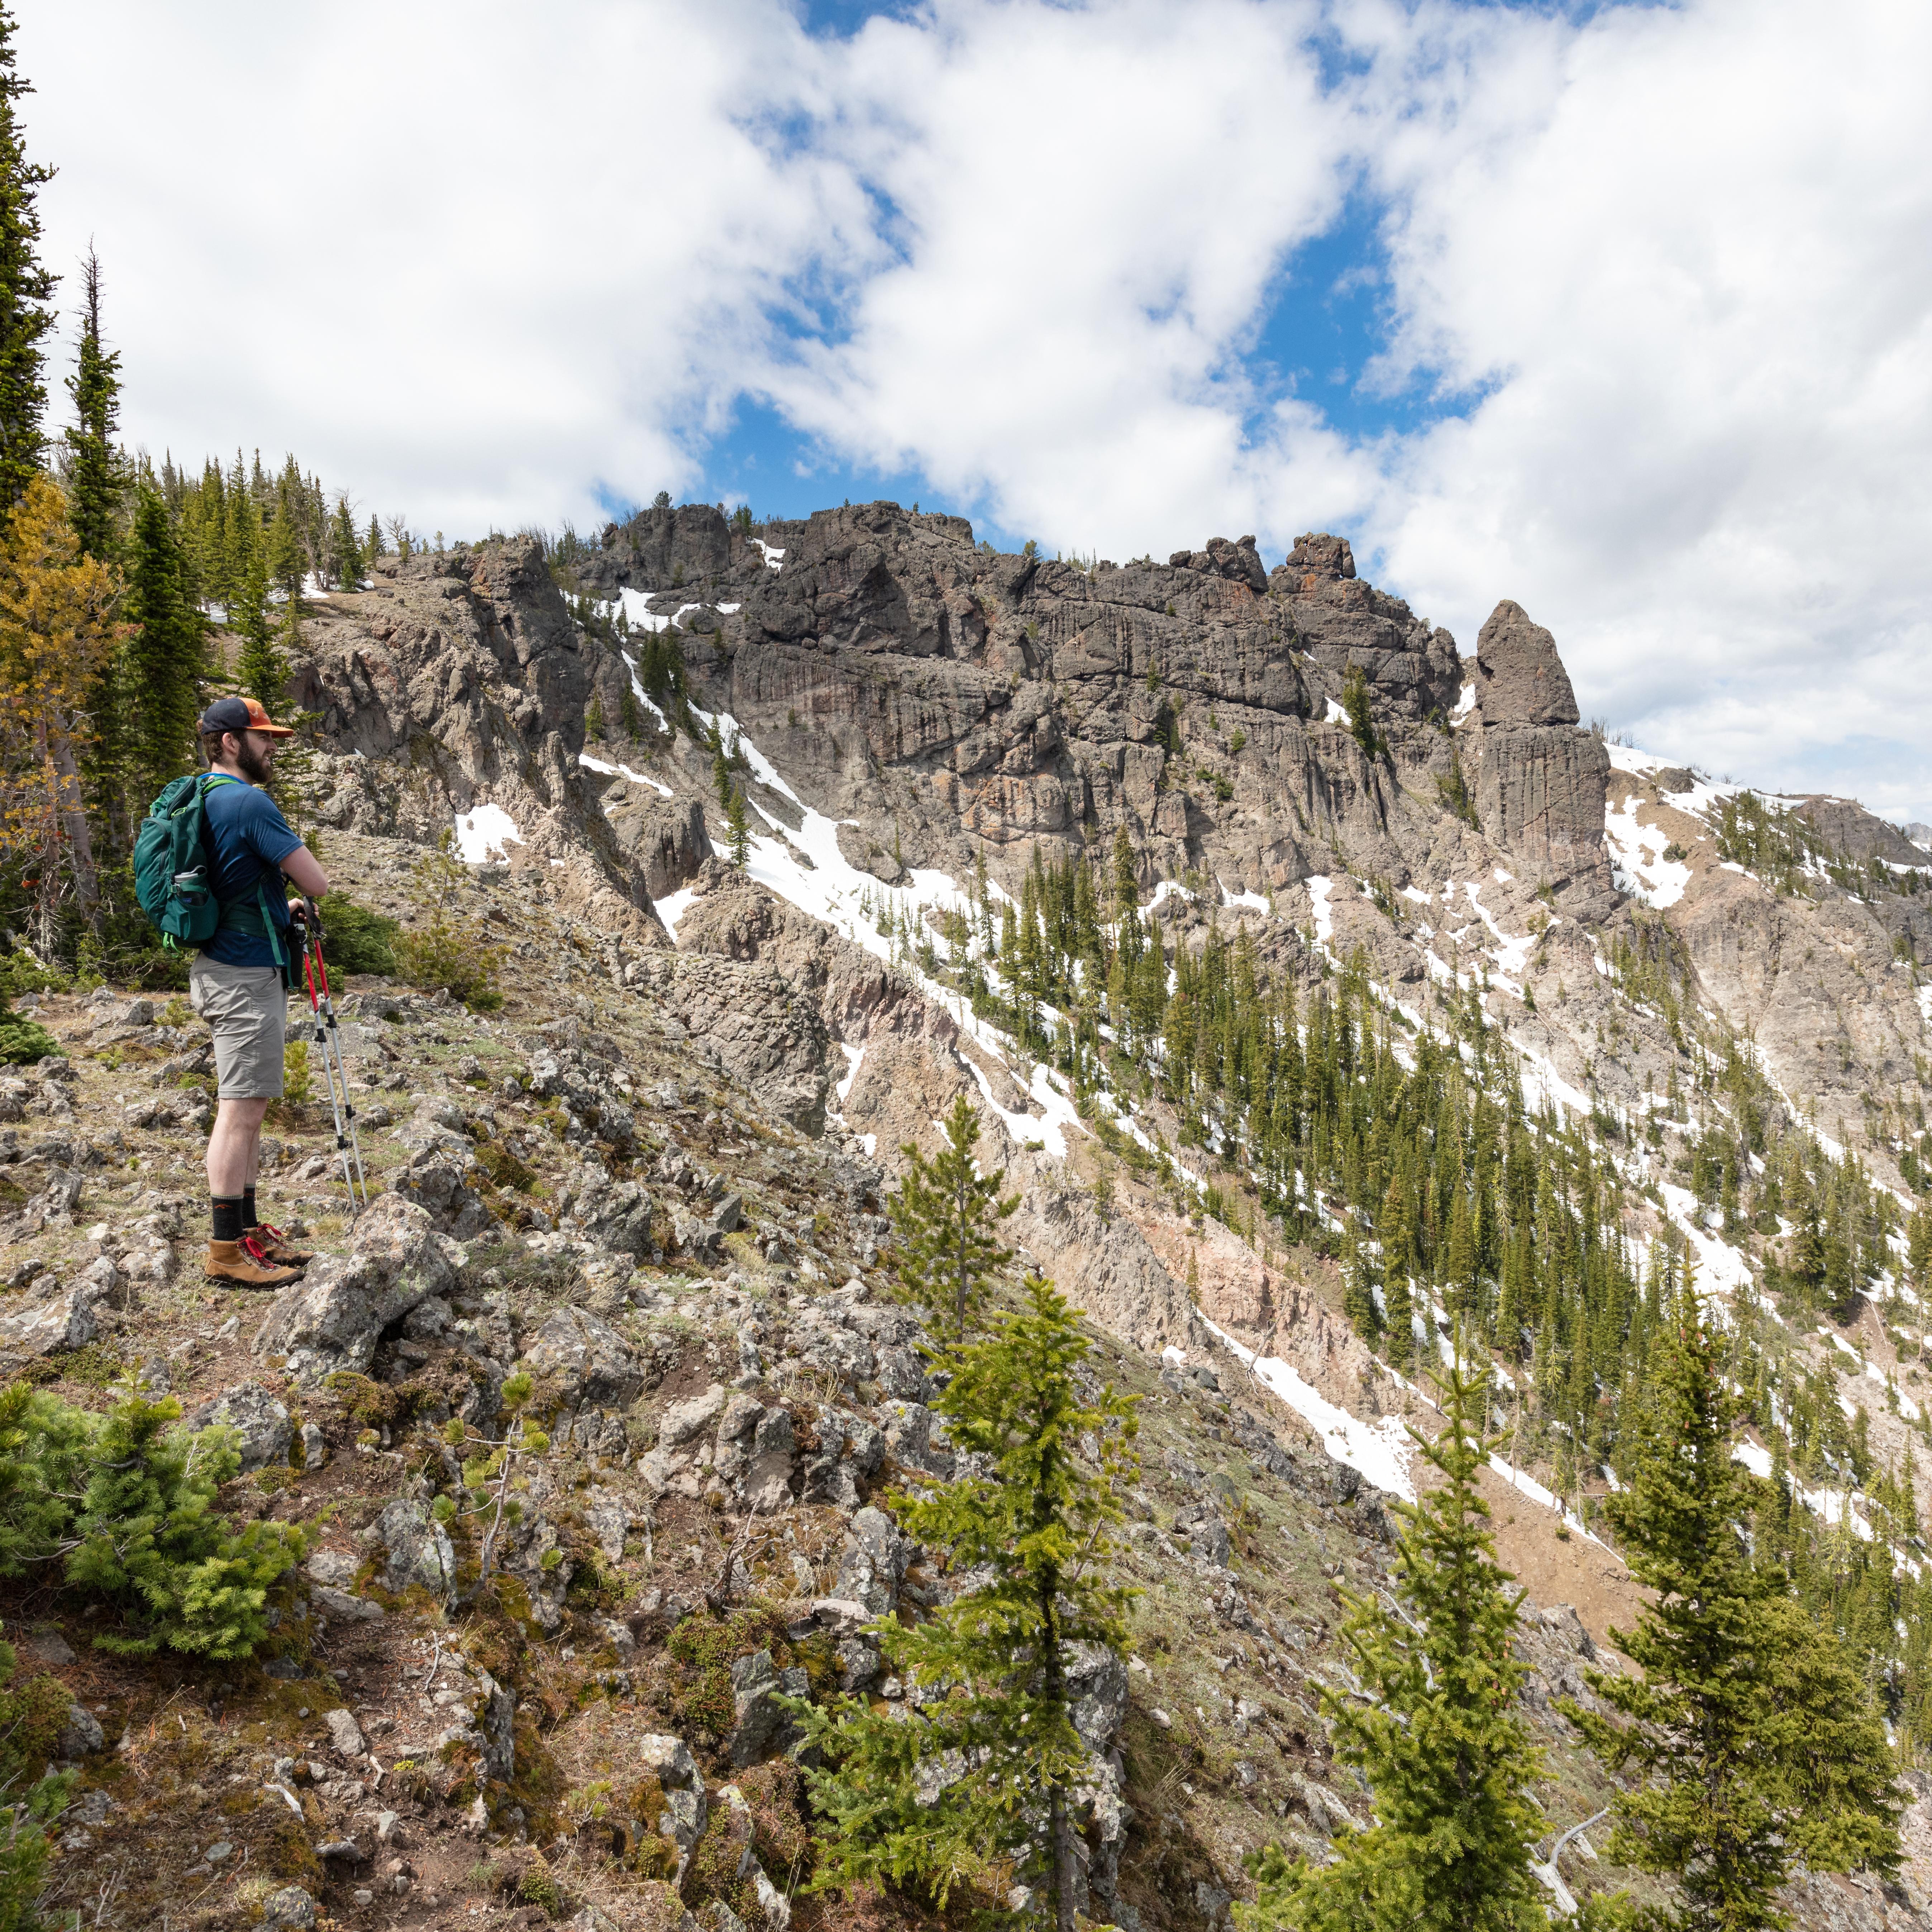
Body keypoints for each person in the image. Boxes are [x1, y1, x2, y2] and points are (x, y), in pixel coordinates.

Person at [189, 696, 331, 1287]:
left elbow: (235, 882)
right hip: (244, 975)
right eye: (263, 737)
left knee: (249, 1107)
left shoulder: (203, 795)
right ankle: (226, 1252)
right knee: (240, 1111)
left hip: (227, 965)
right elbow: (317, 879)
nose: (272, 747)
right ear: (230, 742)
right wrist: (300, 894)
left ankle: (245, 1231)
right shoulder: (249, 801)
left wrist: (279, 906)